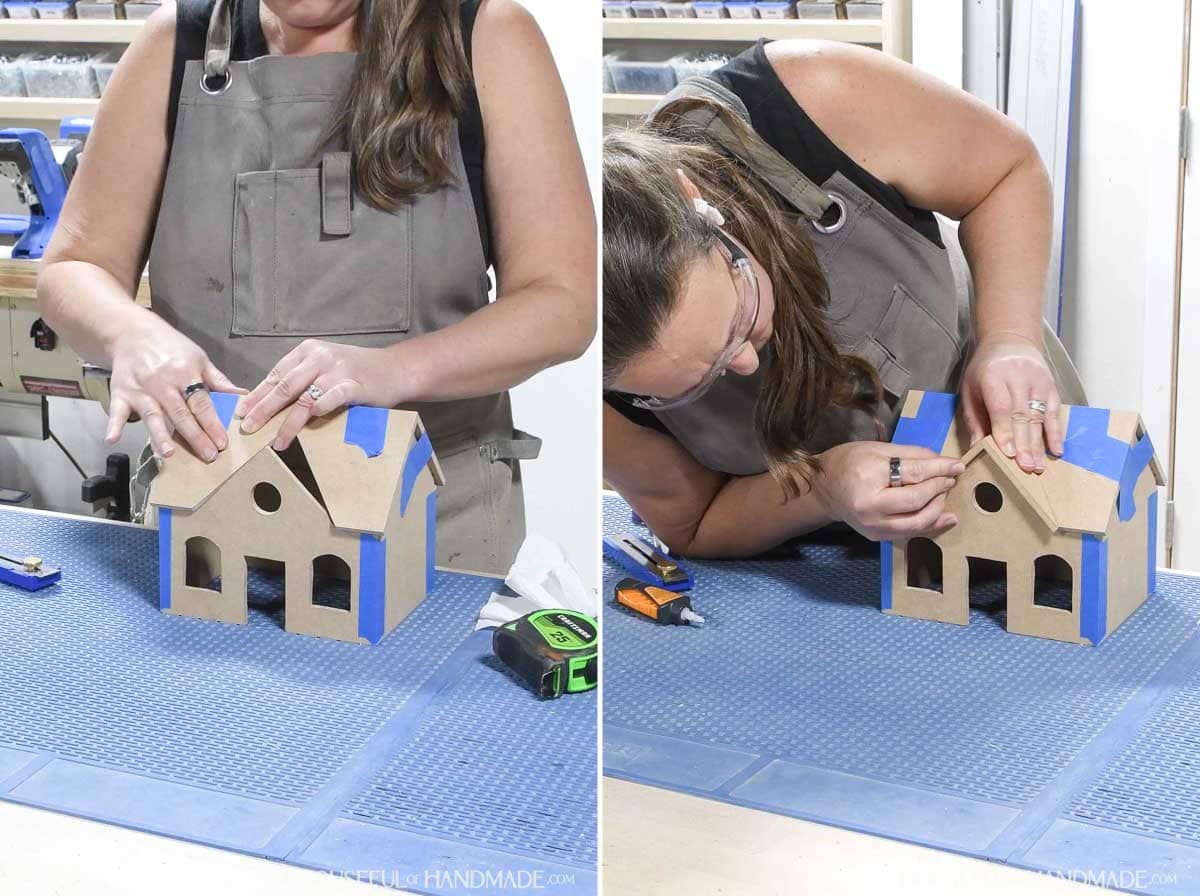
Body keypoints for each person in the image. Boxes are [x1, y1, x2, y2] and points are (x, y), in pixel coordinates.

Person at [37, 0, 596, 575]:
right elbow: (73, 266)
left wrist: (393, 369)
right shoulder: (175, 44)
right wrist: (132, 336)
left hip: (432, 527)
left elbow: (563, 304)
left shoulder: (485, 36)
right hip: (208, 519)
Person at [602, 38, 1086, 559]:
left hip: (1022, 434)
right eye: (692, 385)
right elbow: (694, 524)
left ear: (696, 203)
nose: (744, 362)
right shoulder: (587, 380)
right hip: (831, 574)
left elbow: (1006, 172)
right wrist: (823, 488)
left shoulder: (806, 99)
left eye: (739, 317)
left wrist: (1009, 338)